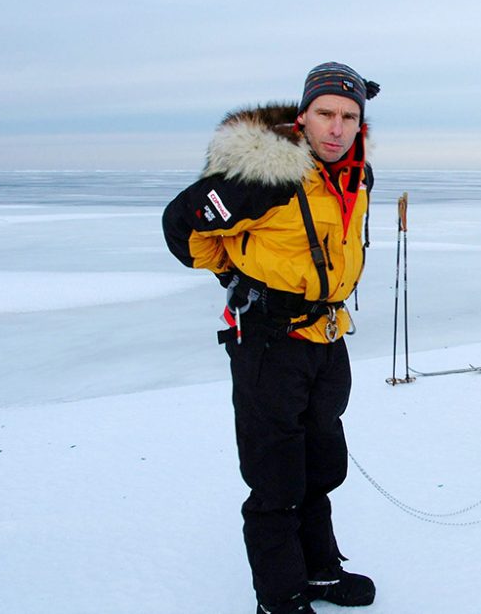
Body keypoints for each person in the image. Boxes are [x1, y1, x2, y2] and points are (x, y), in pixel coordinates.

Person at [162, 62, 379, 614]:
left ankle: (321, 573)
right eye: (326, 114)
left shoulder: (357, 177)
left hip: (328, 336)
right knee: (275, 477)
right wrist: (233, 277)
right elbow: (183, 227)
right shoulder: (264, 178)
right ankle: (279, 596)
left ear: (360, 124)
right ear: (302, 117)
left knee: (321, 463)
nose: (336, 127)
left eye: (348, 116)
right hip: (269, 342)